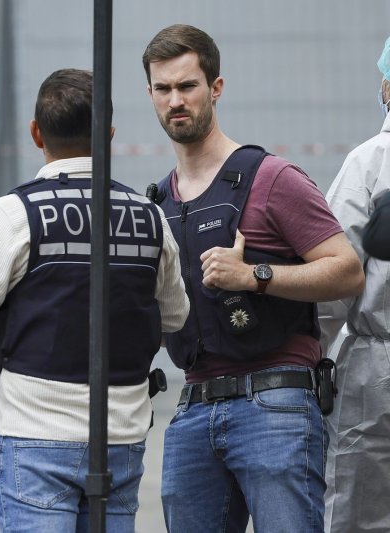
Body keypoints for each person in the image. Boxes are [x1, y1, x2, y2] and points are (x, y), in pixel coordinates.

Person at [0, 68, 189, 532]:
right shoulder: (149, 216)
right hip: (121, 436)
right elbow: (176, 316)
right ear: (109, 135)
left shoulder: (14, 214)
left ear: (35, 133)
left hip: (34, 434)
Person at [141, 25, 365, 532]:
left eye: (188, 86)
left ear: (215, 88)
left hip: (276, 405)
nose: (176, 100)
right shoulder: (156, 203)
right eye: (163, 89)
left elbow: (347, 270)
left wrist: (254, 274)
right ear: (150, 95)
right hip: (192, 407)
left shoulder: (272, 179)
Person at [318, 36, 390, 533]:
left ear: (387, 88)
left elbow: (335, 276)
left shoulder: (370, 161)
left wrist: (309, 358)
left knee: (358, 514)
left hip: (376, 371)